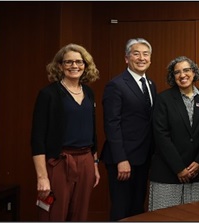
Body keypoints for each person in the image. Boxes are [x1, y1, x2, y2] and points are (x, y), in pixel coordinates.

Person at [31, 44, 100, 221]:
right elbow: (37, 137)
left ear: (85, 65)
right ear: (60, 66)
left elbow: (92, 132)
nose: (74, 66)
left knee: (79, 215)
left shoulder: (89, 92)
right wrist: (42, 177)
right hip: (59, 162)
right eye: (68, 62)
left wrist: (95, 164)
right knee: (54, 214)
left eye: (79, 61)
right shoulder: (48, 94)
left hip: (86, 161)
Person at [102, 38, 157, 220]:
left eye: (145, 54)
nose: (141, 57)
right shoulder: (116, 85)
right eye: (136, 53)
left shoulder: (150, 84)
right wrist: (121, 159)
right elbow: (112, 124)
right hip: (123, 160)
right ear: (126, 58)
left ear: (150, 59)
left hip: (142, 158)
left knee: (137, 208)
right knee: (121, 210)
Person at [148, 56, 199, 211]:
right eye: (177, 72)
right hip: (168, 173)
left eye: (186, 70)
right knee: (166, 218)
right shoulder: (163, 99)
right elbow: (161, 135)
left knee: (198, 217)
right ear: (172, 77)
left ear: (194, 72)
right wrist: (178, 168)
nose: (182, 75)